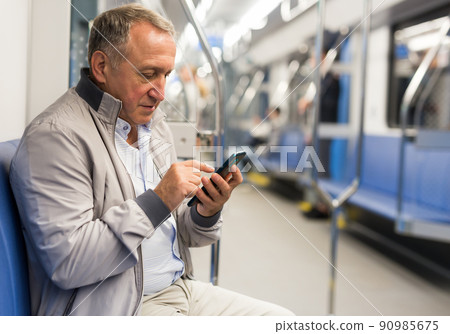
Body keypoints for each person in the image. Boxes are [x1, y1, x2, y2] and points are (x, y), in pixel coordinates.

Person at [10, 4, 293, 316]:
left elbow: (180, 233)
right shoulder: (56, 137)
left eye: (166, 75)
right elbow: (69, 263)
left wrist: (205, 210)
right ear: (102, 67)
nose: (160, 93)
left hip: (180, 287)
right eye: (148, 74)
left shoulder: (152, 124)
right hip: (120, 306)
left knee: (282, 320)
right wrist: (159, 199)